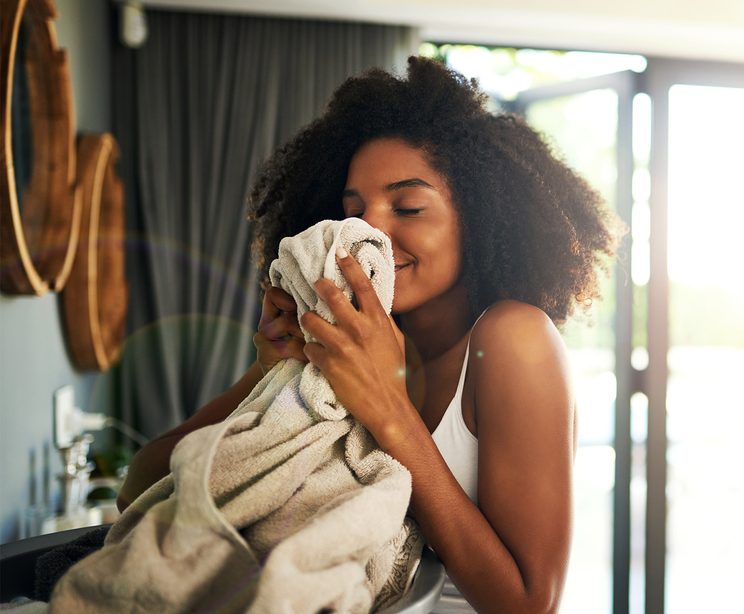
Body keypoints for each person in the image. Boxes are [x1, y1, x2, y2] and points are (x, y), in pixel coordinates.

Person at [116, 56, 619, 613]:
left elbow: (531, 604)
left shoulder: (512, 340)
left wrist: (387, 408)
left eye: (407, 206)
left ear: (478, 219)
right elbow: (138, 487)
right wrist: (268, 371)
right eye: (350, 213)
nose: (367, 232)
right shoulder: (338, 347)